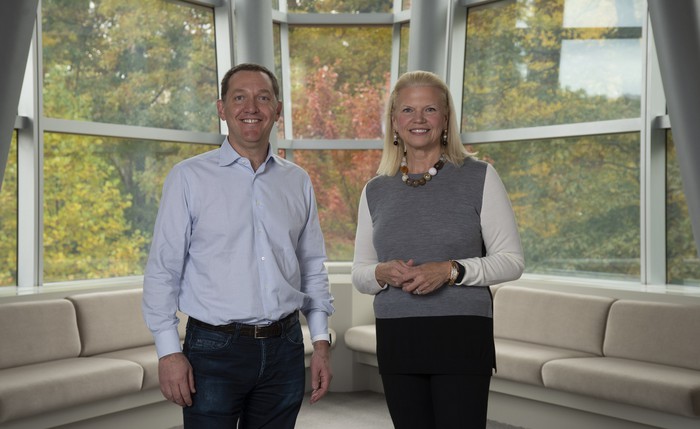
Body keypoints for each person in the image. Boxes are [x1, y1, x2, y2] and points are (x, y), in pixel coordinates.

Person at [142, 63, 334, 429]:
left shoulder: (297, 181)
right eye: (239, 98)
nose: (252, 108)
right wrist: (168, 352)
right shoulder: (188, 177)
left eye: (263, 98)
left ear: (277, 110)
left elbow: (311, 266)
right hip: (213, 351)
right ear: (221, 108)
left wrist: (321, 341)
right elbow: (163, 269)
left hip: (286, 347)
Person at [351, 70, 524, 429]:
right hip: (398, 337)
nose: (418, 120)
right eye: (407, 111)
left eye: (429, 110)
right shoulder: (375, 189)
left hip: (460, 335)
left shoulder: (480, 176)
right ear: (394, 122)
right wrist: (381, 273)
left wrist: (450, 271)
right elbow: (361, 273)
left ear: (445, 119)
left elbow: (511, 262)